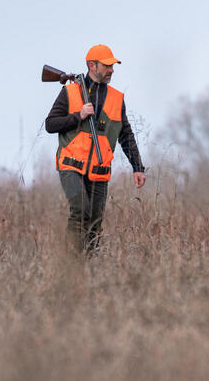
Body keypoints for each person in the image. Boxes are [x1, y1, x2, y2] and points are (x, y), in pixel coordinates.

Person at [45, 44, 146, 252]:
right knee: (80, 210)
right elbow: (50, 124)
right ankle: (71, 263)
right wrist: (78, 116)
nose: (111, 70)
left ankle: (89, 267)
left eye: (112, 66)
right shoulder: (71, 91)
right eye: (107, 66)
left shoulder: (117, 98)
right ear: (92, 65)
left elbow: (125, 134)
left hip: (99, 170)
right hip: (71, 166)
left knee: (94, 222)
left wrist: (137, 166)